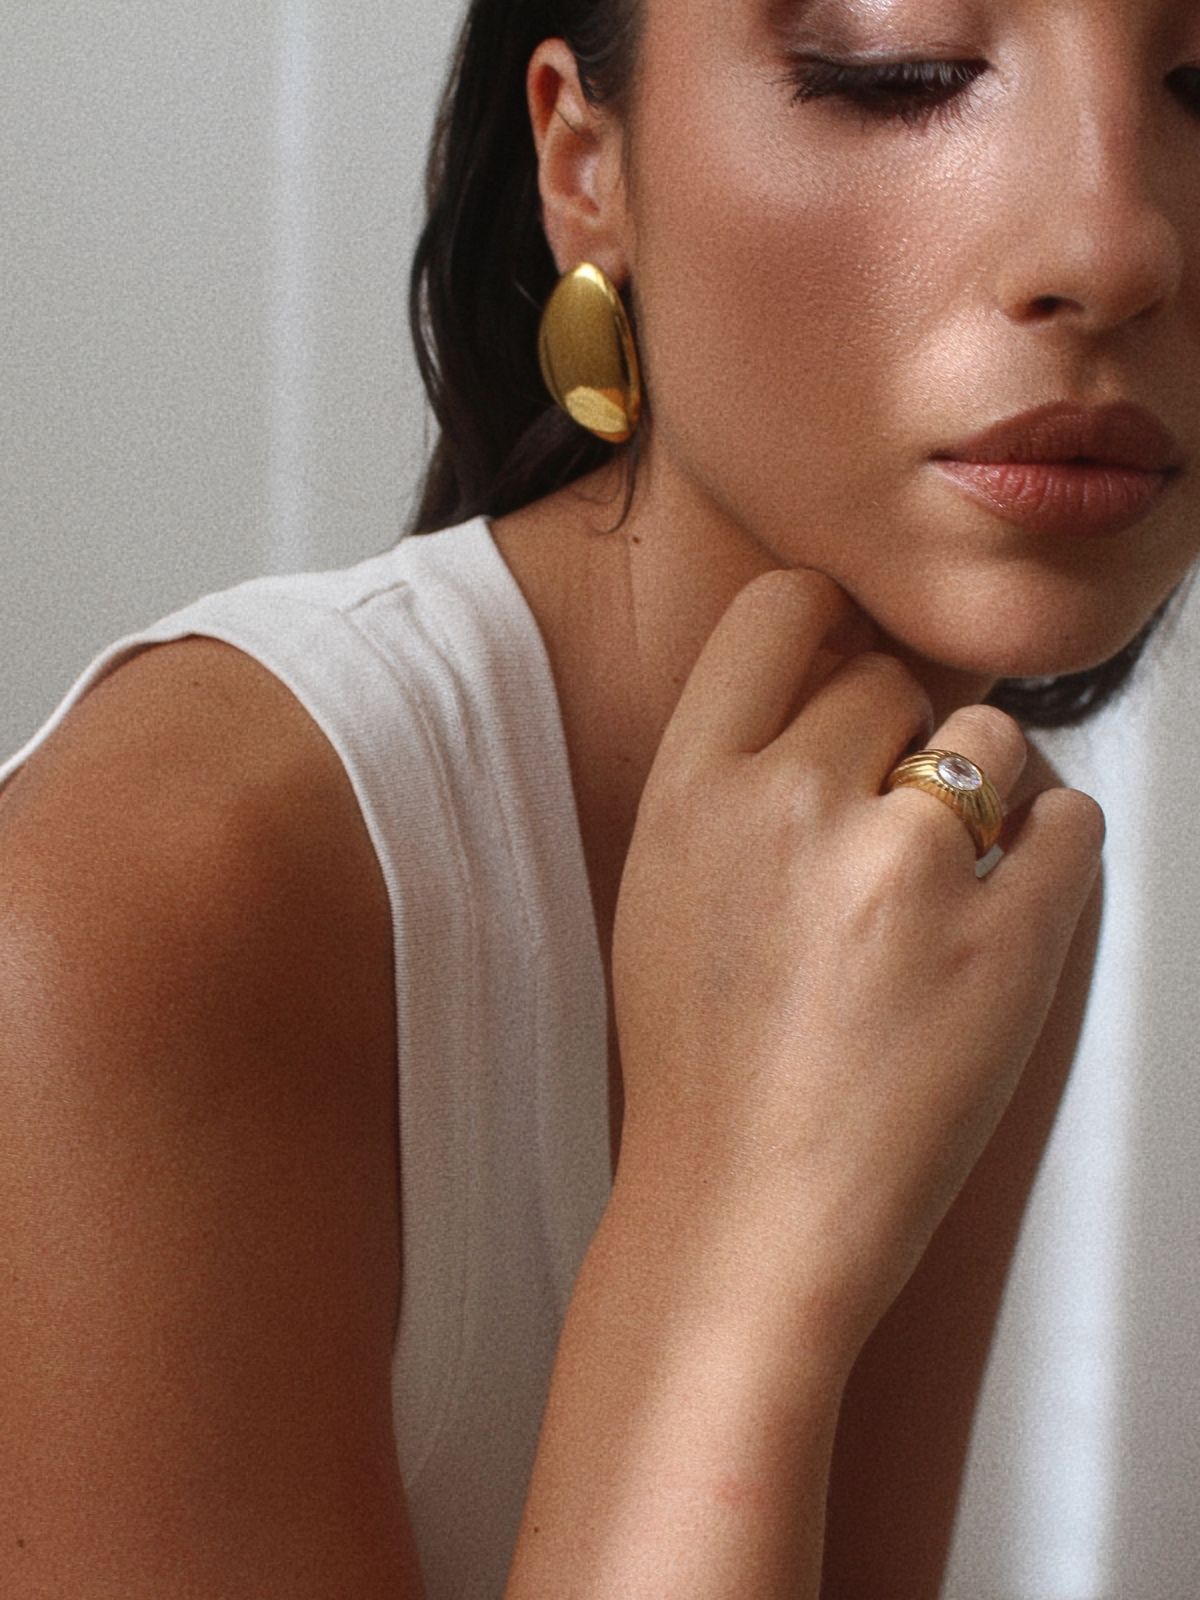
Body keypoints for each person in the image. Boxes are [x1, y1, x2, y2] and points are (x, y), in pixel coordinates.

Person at [2, 0, 1198, 1595]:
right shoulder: (156, 890)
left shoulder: (959, 857)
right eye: (899, 70)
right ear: (586, 166)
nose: (1120, 245)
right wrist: (731, 1242)